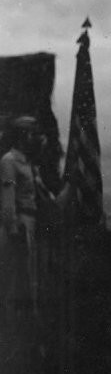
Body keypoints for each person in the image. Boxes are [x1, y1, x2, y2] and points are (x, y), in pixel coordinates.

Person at [0, 115, 44, 319]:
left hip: (30, 223)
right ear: (23, 135)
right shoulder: (9, 161)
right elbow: (8, 200)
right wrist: (13, 229)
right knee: (15, 280)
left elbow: (49, 198)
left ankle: (28, 324)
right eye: (33, 134)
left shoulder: (30, 165)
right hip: (19, 227)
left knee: (30, 277)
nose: (36, 138)